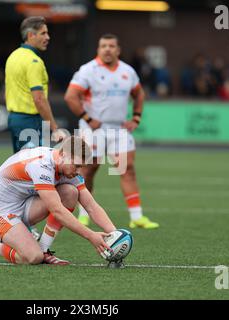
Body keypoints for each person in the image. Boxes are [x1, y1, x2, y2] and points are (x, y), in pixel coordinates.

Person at [0, 136, 115, 265]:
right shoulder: (41, 165)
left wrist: (115, 234)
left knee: (70, 193)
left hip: (23, 203)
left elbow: (91, 206)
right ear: (63, 154)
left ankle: (44, 249)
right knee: (32, 258)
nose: (78, 171)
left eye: (81, 167)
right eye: (76, 165)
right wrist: (91, 236)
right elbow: (57, 210)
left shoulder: (67, 167)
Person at [64, 34, 159, 230]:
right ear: (98, 49)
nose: (107, 49)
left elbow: (139, 94)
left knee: (127, 169)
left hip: (119, 130)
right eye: (103, 46)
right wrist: (88, 119)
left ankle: (137, 217)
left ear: (118, 49)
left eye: (111, 46)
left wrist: (136, 117)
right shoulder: (88, 70)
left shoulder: (127, 71)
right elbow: (70, 96)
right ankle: (84, 214)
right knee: (88, 169)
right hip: (94, 129)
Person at [5, 16, 65, 153]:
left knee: (21, 167)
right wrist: (55, 129)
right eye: (43, 33)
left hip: (14, 118)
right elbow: (39, 98)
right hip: (29, 121)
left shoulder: (13, 56)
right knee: (34, 169)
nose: (48, 37)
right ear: (31, 35)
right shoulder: (34, 62)